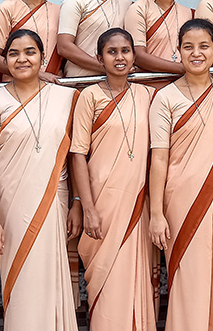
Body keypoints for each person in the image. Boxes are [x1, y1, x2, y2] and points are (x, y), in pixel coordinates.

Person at [0, 29, 81, 331]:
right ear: (5, 60)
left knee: (50, 276)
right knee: (20, 281)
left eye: (30, 52)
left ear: (43, 57)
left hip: (54, 202)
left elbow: (75, 156)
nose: (22, 59)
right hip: (10, 207)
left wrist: (76, 202)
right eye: (13, 53)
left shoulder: (67, 98)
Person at [147, 19, 213, 331]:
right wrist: (156, 212)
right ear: (178, 52)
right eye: (188, 47)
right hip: (181, 199)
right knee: (188, 276)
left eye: (204, 46)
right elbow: (159, 158)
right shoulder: (166, 97)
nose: (196, 53)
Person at [70, 28, 156, 330]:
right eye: (112, 52)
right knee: (105, 284)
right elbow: (78, 154)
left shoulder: (147, 95)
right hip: (102, 205)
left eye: (125, 51)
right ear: (99, 58)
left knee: (133, 280)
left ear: (134, 56)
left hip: (135, 204)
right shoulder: (89, 96)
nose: (119, 57)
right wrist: (86, 207)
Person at [124, 0, 194, 85]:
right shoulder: (138, 9)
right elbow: (138, 56)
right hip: (150, 88)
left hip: (185, 87)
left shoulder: (189, 13)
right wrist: (183, 68)